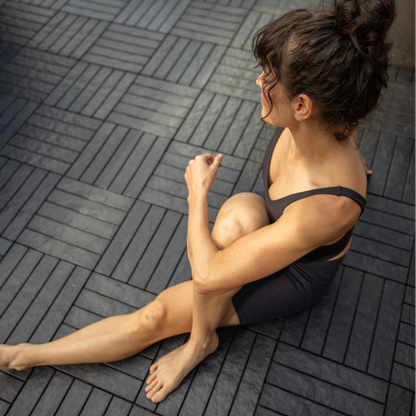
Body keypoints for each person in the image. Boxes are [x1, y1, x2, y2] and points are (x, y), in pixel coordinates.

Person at [0, 0, 395, 404]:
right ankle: (202, 335)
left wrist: (197, 193)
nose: (259, 82)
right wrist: (356, 168)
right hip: (284, 222)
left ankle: (26, 356)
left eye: (269, 76)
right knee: (235, 219)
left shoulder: (329, 207)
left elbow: (206, 275)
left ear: (301, 106)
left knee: (153, 318)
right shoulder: (338, 109)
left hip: (297, 275)